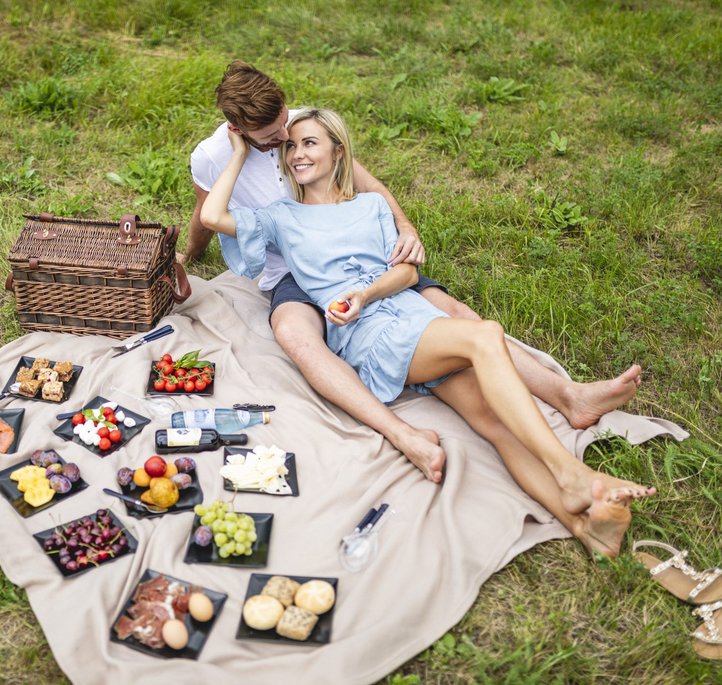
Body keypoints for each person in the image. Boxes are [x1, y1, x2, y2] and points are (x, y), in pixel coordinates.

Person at [199, 108, 656, 557]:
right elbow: (212, 216)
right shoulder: (280, 216)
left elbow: (406, 274)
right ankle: (569, 473)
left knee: (494, 423)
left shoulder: (372, 206)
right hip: (370, 335)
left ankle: (584, 526)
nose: (297, 153)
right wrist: (238, 151)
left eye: (310, 143)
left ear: (338, 152)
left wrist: (366, 291)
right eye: (292, 145)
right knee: (483, 335)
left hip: (410, 318)